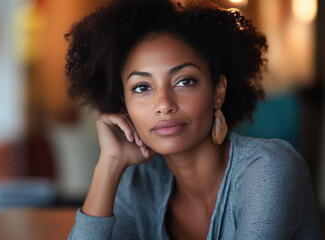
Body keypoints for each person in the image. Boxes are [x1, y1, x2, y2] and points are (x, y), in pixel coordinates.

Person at [65, 0, 322, 239]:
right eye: (142, 87)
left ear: (218, 93)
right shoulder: (141, 183)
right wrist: (109, 166)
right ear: (125, 105)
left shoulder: (269, 167)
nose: (164, 104)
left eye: (184, 81)